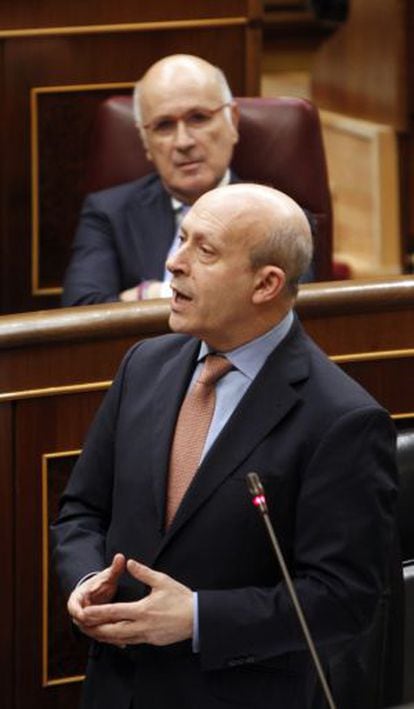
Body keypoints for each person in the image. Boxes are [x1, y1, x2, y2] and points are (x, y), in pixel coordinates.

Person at [51, 183, 399, 709]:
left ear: (266, 284)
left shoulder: (341, 419)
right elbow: (82, 510)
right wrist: (84, 580)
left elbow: (345, 599)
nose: (174, 263)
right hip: (115, 690)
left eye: (204, 251)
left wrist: (196, 618)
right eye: (181, 238)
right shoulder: (144, 365)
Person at [61, 54, 240, 306]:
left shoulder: (279, 214)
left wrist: (142, 297)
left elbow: (283, 308)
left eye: (198, 118)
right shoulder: (108, 214)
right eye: (164, 125)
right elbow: (79, 313)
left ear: (233, 120)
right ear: (145, 141)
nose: (183, 142)